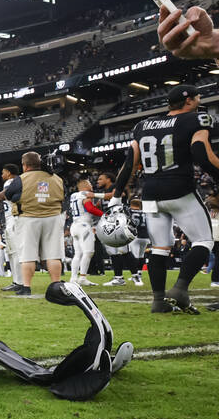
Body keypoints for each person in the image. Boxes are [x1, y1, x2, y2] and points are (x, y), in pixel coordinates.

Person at [110, 84, 218, 313]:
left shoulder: (143, 125)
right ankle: (180, 288)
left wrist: (116, 195)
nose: (199, 100)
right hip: (179, 189)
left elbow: (130, 163)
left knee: (159, 247)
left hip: (150, 192)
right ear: (188, 100)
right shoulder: (196, 119)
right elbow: (200, 153)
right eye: (197, 97)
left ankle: (158, 300)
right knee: (204, 241)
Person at [0, 151, 65, 296]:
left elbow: (8, 196)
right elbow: (62, 195)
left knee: (27, 255)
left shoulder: (21, 179)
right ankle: (56, 285)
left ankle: (26, 287)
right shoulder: (56, 178)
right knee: (53, 255)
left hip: (29, 218)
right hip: (53, 217)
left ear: (25, 165)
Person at [67, 176, 104, 285]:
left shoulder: (73, 195)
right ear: (84, 186)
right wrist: (104, 215)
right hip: (84, 226)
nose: (91, 185)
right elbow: (89, 208)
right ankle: (82, 278)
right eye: (89, 184)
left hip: (75, 225)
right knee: (88, 252)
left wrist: (95, 206)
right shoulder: (84, 194)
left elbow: (86, 208)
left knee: (78, 253)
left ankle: (73, 278)